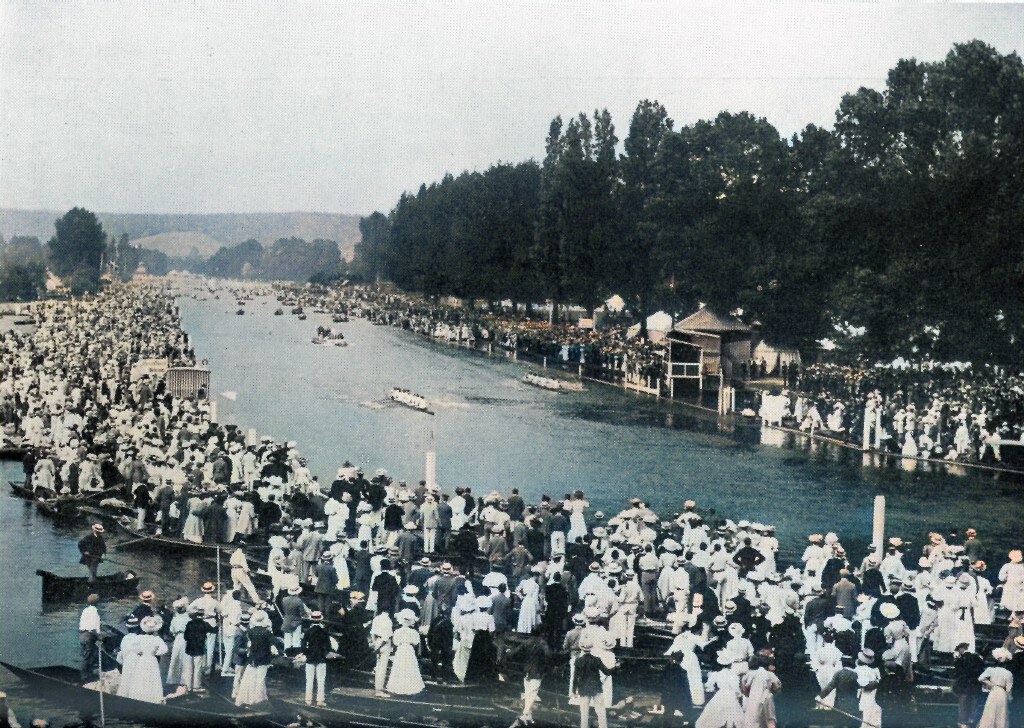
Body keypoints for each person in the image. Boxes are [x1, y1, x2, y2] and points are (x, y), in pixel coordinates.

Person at [118, 615, 168, 704]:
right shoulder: (157, 639)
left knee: (141, 677)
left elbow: (131, 647)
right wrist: (155, 652)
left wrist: (139, 651)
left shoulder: (140, 638)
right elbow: (165, 649)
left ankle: (140, 696)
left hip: (143, 659)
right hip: (152, 659)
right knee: (152, 677)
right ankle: (152, 697)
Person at [234, 609, 278, 707]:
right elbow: (273, 647)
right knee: (260, 679)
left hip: (253, 658)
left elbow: (249, 645)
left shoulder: (250, 632)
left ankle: (248, 698)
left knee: (250, 678)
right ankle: (259, 700)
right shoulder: (267, 633)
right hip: (263, 659)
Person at [573, 636, 612, 728]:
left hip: (583, 688)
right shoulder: (596, 660)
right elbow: (607, 672)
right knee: (600, 711)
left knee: (584, 712)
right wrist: (616, 667)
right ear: (591, 648)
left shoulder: (578, 661)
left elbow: (575, 677)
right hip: (596, 687)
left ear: (582, 648)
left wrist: (574, 690)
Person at [386, 609, 425, 695]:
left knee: (400, 666)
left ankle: (398, 686)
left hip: (401, 649)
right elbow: (416, 642)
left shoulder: (397, 631)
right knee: (409, 667)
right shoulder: (414, 632)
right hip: (409, 649)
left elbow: (395, 642)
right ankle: (409, 687)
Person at [301, 611, 332, 707]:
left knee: (309, 680)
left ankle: (308, 700)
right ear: (320, 620)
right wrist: (324, 653)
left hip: (310, 658)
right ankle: (320, 701)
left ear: (311, 619)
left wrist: (307, 653)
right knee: (321, 680)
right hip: (321, 658)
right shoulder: (324, 632)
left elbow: (303, 646)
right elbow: (328, 646)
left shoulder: (307, 632)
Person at [182, 604, 216, 692]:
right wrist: (218, 623)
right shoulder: (204, 624)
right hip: (199, 648)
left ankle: (188, 686)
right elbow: (214, 630)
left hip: (189, 648)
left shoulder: (189, 623)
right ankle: (196, 686)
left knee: (189, 668)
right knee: (197, 668)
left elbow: (185, 637)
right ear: (203, 615)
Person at [977, 649, 1013, 728]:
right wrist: (1009, 698)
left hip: (993, 691)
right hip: (1002, 693)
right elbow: (1008, 688)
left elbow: (980, 678)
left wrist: (990, 684)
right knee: (1001, 712)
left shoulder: (991, 670)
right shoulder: (1008, 673)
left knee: (990, 710)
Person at [952, 642, 985, 728]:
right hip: (975, 684)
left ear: (961, 649)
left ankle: (962, 722)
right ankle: (972, 720)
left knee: (963, 704)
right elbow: (981, 671)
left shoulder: (959, 659)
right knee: (974, 703)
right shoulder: (978, 658)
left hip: (964, 685)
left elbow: (956, 673)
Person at [78, 593, 101, 683]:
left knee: (87, 655)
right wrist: (99, 637)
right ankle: (85, 676)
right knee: (89, 656)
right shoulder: (94, 611)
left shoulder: (85, 610)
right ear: (96, 602)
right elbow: (94, 627)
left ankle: (86, 673)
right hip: (89, 636)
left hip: (82, 635)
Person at [371, 610, 394, 697]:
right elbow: (385, 638)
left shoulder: (376, 618)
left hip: (377, 641)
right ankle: (379, 690)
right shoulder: (388, 620)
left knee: (378, 666)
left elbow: (372, 633)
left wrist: (375, 645)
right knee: (382, 668)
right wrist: (380, 647)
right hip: (384, 644)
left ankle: (378, 687)